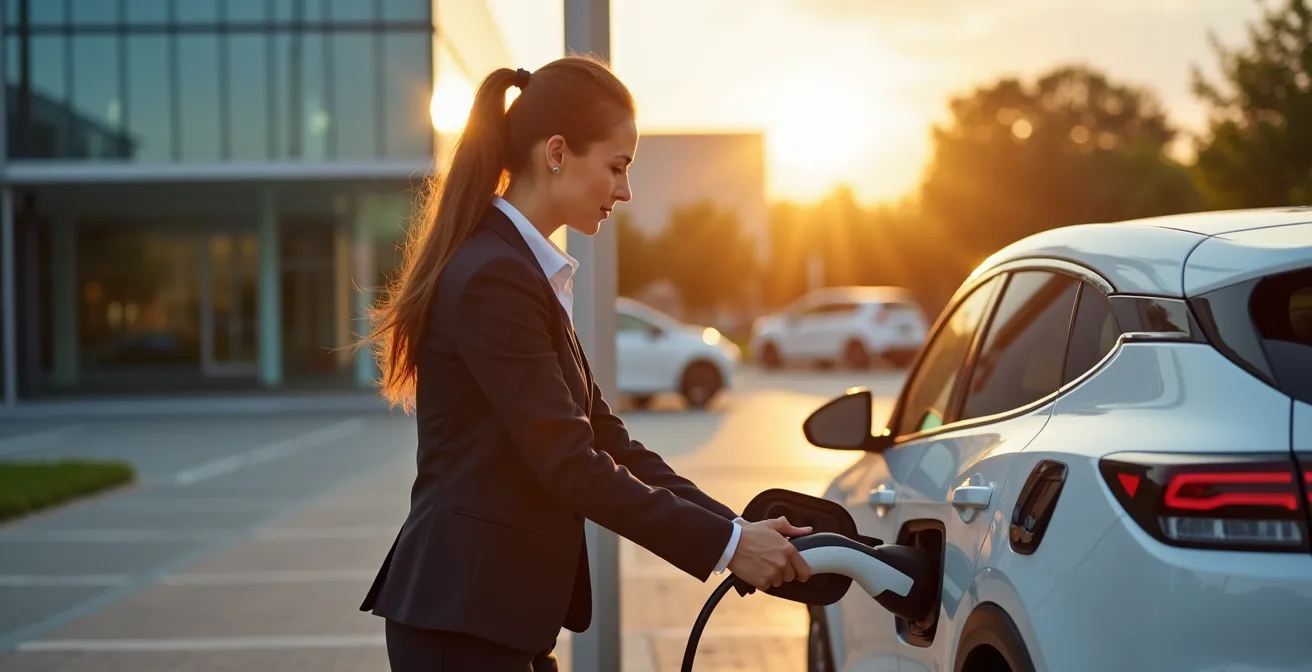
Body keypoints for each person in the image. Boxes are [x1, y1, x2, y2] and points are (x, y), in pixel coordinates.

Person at [357, 56, 812, 672]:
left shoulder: (519, 268)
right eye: (617, 167)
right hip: (460, 620)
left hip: (491, 617)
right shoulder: (497, 275)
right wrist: (730, 547)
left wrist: (736, 528)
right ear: (557, 153)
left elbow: (606, 438)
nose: (625, 191)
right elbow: (570, 463)